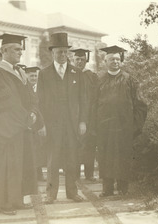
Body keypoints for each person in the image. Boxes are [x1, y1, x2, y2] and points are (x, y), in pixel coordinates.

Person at [0, 33, 44, 215]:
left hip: (20, 127)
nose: (20, 52)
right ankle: (4, 204)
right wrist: (27, 118)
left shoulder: (19, 71)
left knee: (19, 164)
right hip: (5, 130)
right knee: (6, 166)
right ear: (4, 51)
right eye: (16, 49)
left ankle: (16, 200)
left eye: (21, 49)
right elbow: (7, 103)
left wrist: (34, 113)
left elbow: (32, 97)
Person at [37, 32, 88, 204]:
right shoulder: (44, 74)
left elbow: (83, 99)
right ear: (52, 53)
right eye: (59, 52)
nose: (63, 55)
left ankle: (72, 192)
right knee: (52, 160)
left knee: (72, 159)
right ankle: (51, 195)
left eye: (65, 52)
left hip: (72, 124)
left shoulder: (76, 73)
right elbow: (40, 101)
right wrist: (42, 124)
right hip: (52, 125)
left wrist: (82, 121)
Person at [96, 45, 147, 197]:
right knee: (105, 156)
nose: (115, 62)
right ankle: (107, 188)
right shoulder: (98, 80)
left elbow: (141, 104)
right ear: (105, 61)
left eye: (118, 59)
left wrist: (135, 126)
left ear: (122, 61)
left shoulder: (130, 80)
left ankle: (123, 188)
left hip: (124, 127)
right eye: (111, 59)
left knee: (123, 156)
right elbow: (92, 104)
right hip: (104, 127)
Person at [71, 48, 98, 182]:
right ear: (73, 60)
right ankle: (74, 174)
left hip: (90, 115)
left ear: (86, 60)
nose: (80, 62)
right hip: (74, 116)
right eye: (77, 59)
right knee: (74, 145)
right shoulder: (69, 75)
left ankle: (89, 174)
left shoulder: (91, 76)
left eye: (82, 59)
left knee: (89, 145)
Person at [25, 66, 47, 181]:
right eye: (31, 76)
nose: (34, 78)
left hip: (39, 122)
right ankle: (33, 175)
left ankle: (39, 173)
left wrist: (43, 124)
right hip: (30, 123)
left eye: (35, 76)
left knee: (39, 148)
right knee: (31, 149)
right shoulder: (24, 88)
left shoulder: (40, 89)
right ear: (26, 76)